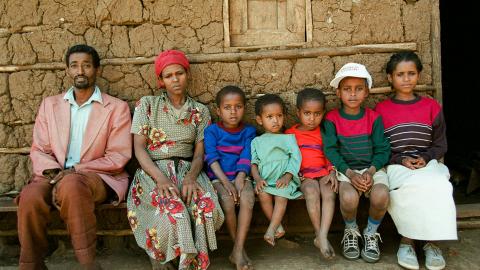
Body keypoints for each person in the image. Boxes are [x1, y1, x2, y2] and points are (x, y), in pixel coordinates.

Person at [17, 44, 132, 270]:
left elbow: (118, 155)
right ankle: (31, 264)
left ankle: (87, 263)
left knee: (71, 184)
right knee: (30, 196)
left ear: (96, 69)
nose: (81, 71)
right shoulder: (50, 105)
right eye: (74, 66)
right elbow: (40, 148)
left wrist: (75, 170)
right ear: (68, 70)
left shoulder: (116, 108)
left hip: (96, 176)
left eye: (87, 65)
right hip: (52, 174)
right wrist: (55, 173)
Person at [126, 49, 224, 270]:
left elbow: (200, 152)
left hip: (188, 170)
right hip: (154, 172)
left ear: (187, 74)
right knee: (174, 213)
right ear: (161, 81)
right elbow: (139, 148)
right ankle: (163, 256)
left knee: (205, 208)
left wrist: (191, 177)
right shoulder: (148, 105)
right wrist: (160, 178)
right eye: (168, 76)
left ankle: (191, 263)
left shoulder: (200, 111)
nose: (175, 79)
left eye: (179, 73)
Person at [375, 51, 457, 270]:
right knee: (409, 187)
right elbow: (379, 147)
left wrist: (426, 157)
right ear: (390, 78)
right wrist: (400, 159)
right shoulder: (381, 110)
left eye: (411, 73)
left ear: (418, 75)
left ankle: (432, 243)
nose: (406, 78)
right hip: (396, 163)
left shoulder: (431, 107)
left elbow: (440, 144)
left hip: (427, 162)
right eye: (400, 74)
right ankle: (408, 241)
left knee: (440, 185)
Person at [323, 63, 390, 263]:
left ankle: (370, 233)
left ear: (367, 92)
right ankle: (351, 230)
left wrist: (370, 171)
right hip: (346, 170)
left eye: (358, 89)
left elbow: (383, 149)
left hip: (372, 168)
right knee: (349, 198)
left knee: (381, 195)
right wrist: (350, 174)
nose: (353, 94)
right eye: (347, 89)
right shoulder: (332, 119)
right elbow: (331, 150)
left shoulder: (374, 118)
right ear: (338, 92)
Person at [204, 85, 256, 270]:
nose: (233, 112)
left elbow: (247, 154)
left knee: (248, 199)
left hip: (241, 176)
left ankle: (238, 250)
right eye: (227, 107)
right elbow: (211, 158)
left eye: (238, 106)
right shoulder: (212, 131)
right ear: (218, 110)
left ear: (244, 108)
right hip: (219, 178)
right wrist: (226, 182)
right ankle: (239, 250)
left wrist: (241, 176)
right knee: (227, 201)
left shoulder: (248, 131)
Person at [285, 88, 338, 259]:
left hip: (322, 172)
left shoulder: (324, 131)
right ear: (298, 112)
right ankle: (320, 235)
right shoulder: (290, 134)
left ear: (323, 113)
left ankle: (322, 236)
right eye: (307, 113)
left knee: (329, 193)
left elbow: (330, 153)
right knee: (311, 192)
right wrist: (295, 175)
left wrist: (331, 171)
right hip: (303, 175)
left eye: (317, 114)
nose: (312, 118)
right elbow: (287, 158)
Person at [251, 94, 303, 247]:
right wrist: (258, 179)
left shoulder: (288, 138)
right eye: (270, 116)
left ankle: (271, 229)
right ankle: (278, 226)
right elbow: (254, 163)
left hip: (284, 180)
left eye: (279, 116)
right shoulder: (256, 141)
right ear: (260, 120)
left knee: (281, 196)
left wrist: (288, 176)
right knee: (263, 194)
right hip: (265, 180)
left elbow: (296, 158)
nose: (275, 120)